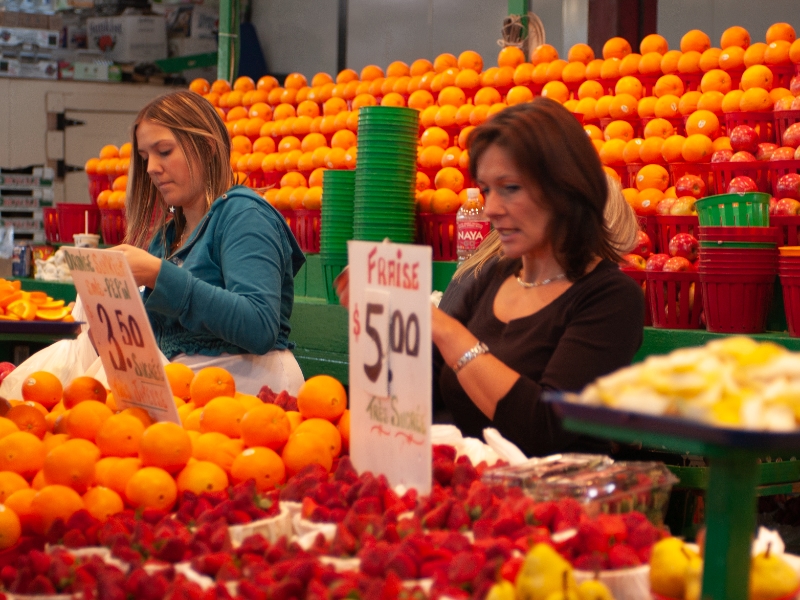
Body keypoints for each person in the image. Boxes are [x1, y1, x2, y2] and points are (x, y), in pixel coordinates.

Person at [432, 98, 644, 457]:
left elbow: (546, 427)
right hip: (476, 496)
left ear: (566, 188)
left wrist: (446, 331)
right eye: (486, 189)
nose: (491, 209)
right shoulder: (494, 277)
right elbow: (429, 396)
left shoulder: (611, 299)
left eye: (510, 188)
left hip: (557, 507)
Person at [111, 90, 306, 396]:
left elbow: (259, 326)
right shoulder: (166, 238)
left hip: (249, 397)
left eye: (164, 151)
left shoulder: (244, 216)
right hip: (193, 398)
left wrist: (159, 276)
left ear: (207, 147)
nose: (151, 168)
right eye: (145, 157)